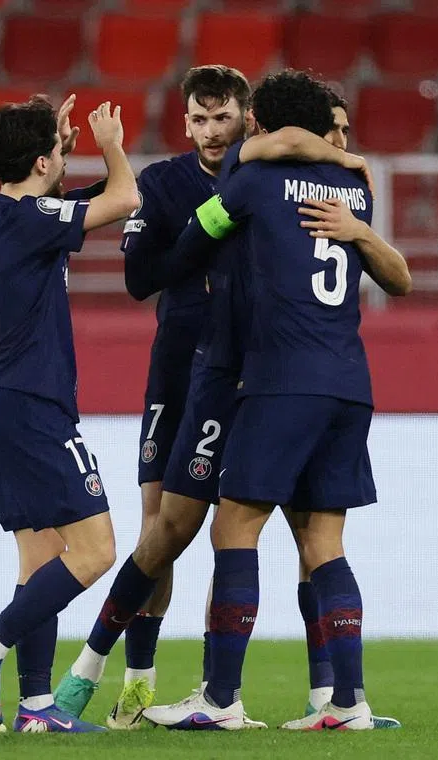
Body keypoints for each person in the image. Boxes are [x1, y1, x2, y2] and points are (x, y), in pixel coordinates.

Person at [55, 76, 373, 729]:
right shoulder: (174, 182)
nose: (209, 131)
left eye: (221, 118)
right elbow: (141, 277)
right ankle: (103, 671)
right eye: (198, 120)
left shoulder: (261, 179)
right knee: (168, 530)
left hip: (265, 377)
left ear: (248, 119)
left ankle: (307, 694)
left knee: (295, 534)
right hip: (196, 372)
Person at [139, 70, 410, 732]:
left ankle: (220, 699)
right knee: (324, 542)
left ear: (264, 122)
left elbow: (191, 245)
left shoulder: (253, 179)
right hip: (349, 384)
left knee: (234, 528)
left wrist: (198, 235)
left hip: (281, 378)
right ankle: (348, 703)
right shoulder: (354, 190)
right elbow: (395, 278)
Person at [0, 95, 141, 733]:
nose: (64, 156)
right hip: (33, 407)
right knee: (96, 550)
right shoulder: (32, 219)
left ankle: (35, 707)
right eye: (57, 150)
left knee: (40, 561)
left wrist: (53, 149)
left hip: (1, 405)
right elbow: (124, 197)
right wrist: (109, 143)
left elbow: (62, 200)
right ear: (39, 162)